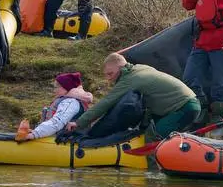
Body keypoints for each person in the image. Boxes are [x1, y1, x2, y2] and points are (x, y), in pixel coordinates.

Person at [65, 52, 201, 139]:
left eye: (110, 74)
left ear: (120, 68)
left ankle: (151, 176)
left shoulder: (129, 80)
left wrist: (78, 123)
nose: (109, 79)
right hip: (184, 104)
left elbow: (105, 103)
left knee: (152, 137)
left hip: (185, 107)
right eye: (106, 75)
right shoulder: (139, 68)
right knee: (146, 131)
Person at [15, 72, 94, 142]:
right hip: (59, 138)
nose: (54, 90)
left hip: (67, 141)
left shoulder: (70, 102)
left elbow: (57, 122)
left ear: (66, 87)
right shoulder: (67, 100)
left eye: (57, 87)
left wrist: (34, 134)